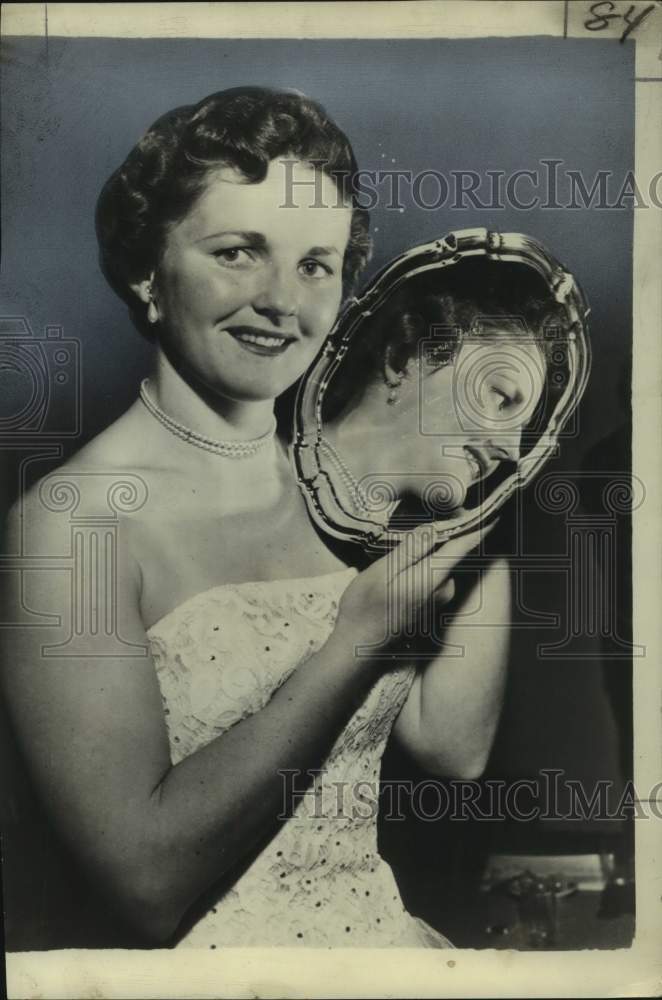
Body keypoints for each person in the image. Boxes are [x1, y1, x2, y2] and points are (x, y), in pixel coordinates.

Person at [0, 87, 512, 950]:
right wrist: (356, 642)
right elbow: (146, 883)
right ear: (144, 271)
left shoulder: (335, 489)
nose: (284, 299)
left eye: (317, 264)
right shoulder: (70, 527)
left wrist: (489, 502)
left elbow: (450, 748)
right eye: (239, 253)